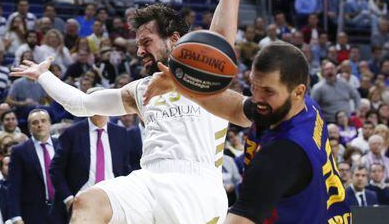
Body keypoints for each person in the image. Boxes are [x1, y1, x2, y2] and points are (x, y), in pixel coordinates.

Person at [10, 0, 240, 224]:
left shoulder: (207, 69)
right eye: (137, 44)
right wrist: (44, 76)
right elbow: (82, 105)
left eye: (146, 42)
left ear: (173, 39)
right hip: (149, 180)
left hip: (197, 186)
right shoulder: (140, 89)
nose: (140, 51)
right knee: (87, 201)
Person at [143, 42, 352, 223]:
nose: (257, 98)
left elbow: (240, 221)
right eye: (254, 86)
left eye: (268, 91)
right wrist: (182, 85)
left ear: (298, 91)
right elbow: (236, 107)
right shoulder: (302, 108)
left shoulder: (281, 155)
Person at [49, 87, 133, 223]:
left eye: (102, 102)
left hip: (112, 200)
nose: (98, 106)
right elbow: (55, 170)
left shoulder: (121, 133)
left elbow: (124, 169)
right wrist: (68, 198)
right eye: (93, 102)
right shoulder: (72, 133)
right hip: (80, 200)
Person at [8, 109, 58, 224]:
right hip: (33, 213)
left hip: (61, 210)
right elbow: (14, 187)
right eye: (35, 122)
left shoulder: (61, 146)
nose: (40, 125)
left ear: (50, 124)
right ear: (29, 128)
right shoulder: (19, 151)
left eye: (43, 121)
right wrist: (16, 216)